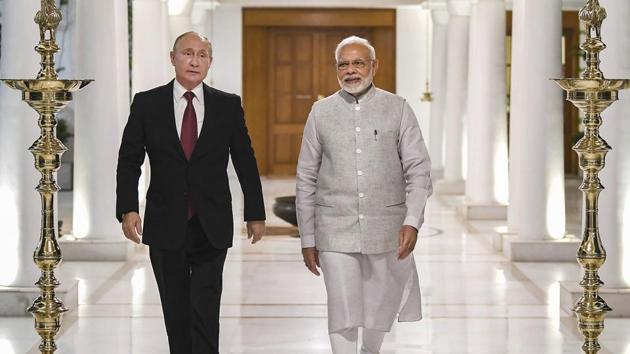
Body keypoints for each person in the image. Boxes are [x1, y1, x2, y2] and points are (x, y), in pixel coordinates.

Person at [116, 31, 266, 354]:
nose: (195, 61)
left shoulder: (227, 105)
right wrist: (128, 208)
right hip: (165, 222)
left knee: (206, 309)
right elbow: (129, 160)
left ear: (210, 62)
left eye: (202, 55)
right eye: (187, 53)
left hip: (210, 223)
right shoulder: (147, 104)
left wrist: (255, 212)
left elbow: (245, 160)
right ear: (173, 58)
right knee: (176, 311)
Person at [296, 35, 432, 354]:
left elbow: (418, 170)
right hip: (334, 228)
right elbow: (305, 178)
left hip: (387, 229)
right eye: (343, 64)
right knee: (342, 308)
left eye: (358, 62)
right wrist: (307, 237)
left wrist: (412, 222)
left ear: (374, 66)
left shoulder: (397, 109)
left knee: (378, 307)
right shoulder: (320, 112)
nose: (351, 70)